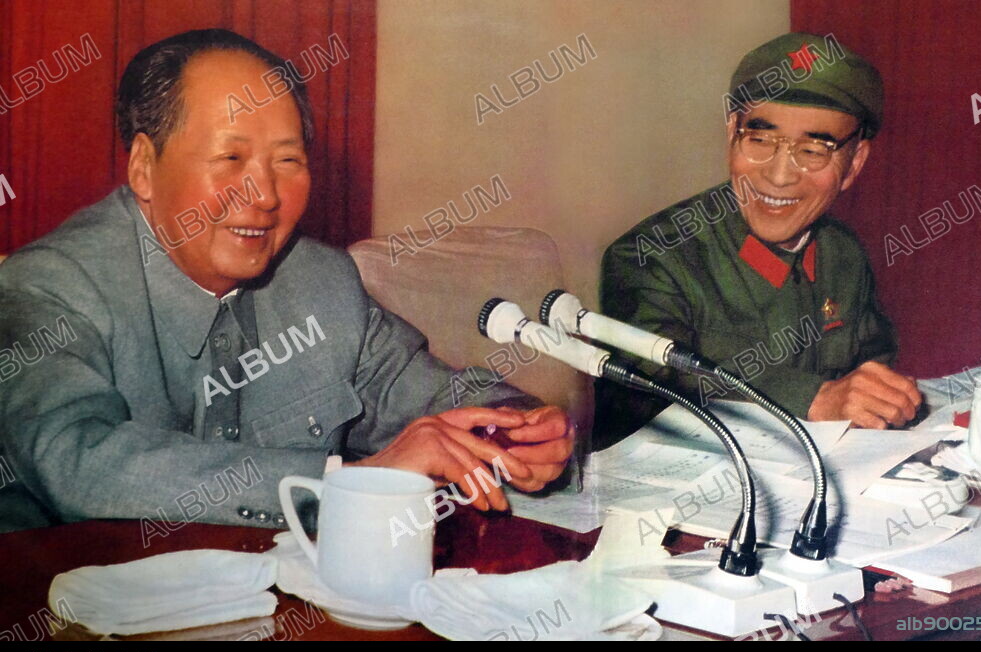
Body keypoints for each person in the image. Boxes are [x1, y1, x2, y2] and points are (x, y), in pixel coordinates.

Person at [0, 29, 572, 532]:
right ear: (145, 167)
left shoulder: (320, 282)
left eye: (288, 162)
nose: (266, 196)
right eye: (230, 158)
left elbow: (424, 392)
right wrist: (350, 482)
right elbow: (77, 462)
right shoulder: (49, 286)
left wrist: (517, 427)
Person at [597, 32, 921, 447]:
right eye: (761, 139)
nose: (779, 175)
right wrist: (814, 399)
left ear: (854, 163)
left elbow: (873, 365)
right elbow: (660, 377)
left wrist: (882, 399)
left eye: (813, 150)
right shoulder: (648, 258)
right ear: (733, 132)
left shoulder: (844, 254)